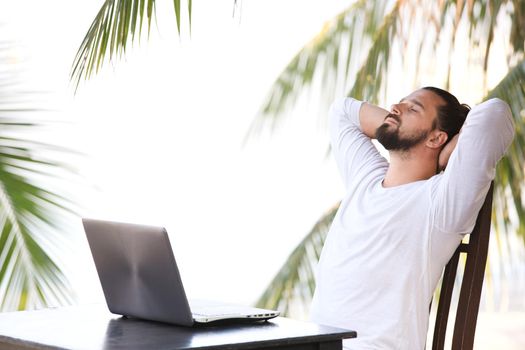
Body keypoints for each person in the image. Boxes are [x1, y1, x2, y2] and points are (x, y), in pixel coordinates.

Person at [309, 87, 515, 349]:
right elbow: (341, 111)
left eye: (413, 108)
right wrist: (399, 122)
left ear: (436, 138)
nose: (396, 107)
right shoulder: (366, 177)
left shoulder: (440, 205)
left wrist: (447, 151)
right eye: (401, 103)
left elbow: (494, 115)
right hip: (314, 343)